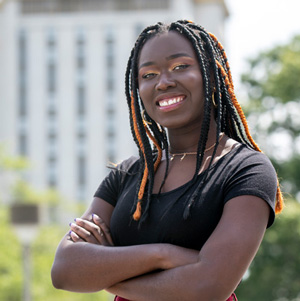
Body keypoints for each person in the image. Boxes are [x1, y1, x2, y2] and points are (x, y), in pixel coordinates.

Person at [51, 20, 284, 300]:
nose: (163, 82)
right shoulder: (129, 174)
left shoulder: (246, 169)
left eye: (180, 67)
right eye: (148, 75)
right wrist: (163, 255)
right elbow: (65, 270)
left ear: (210, 72)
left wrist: (109, 272)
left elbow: (208, 287)